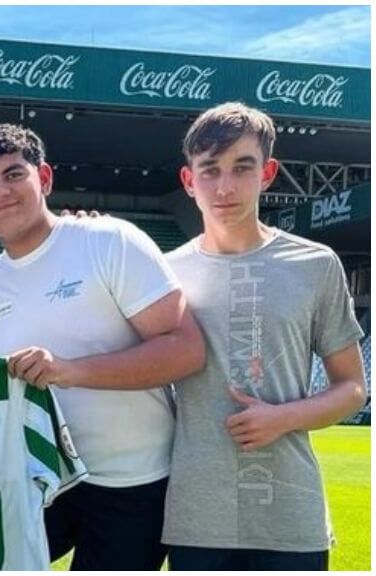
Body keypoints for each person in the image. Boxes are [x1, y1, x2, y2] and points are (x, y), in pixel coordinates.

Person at [0, 123, 206, 570]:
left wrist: (68, 370)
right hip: (36, 483)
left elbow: (185, 349)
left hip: (132, 484)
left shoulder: (107, 242)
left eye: (13, 175)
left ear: (44, 179)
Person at [162, 102, 366, 571]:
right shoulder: (164, 273)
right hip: (197, 519)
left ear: (268, 173)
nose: (225, 186)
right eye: (210, 170)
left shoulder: (316, 264)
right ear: (189, 180)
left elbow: (353, 388)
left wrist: (284, 417)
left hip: (291, 520)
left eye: (242, 167)